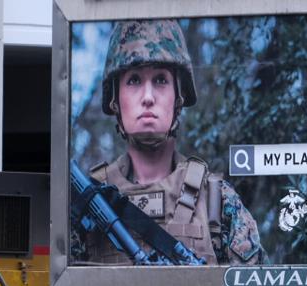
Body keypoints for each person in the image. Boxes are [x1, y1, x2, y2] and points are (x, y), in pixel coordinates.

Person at [73, 19, 266, 266]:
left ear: (178, 98)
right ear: (115, 100)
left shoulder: (217, 201)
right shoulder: (88, 200)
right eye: (133, 80)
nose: (148, 97)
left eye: (161, 80)